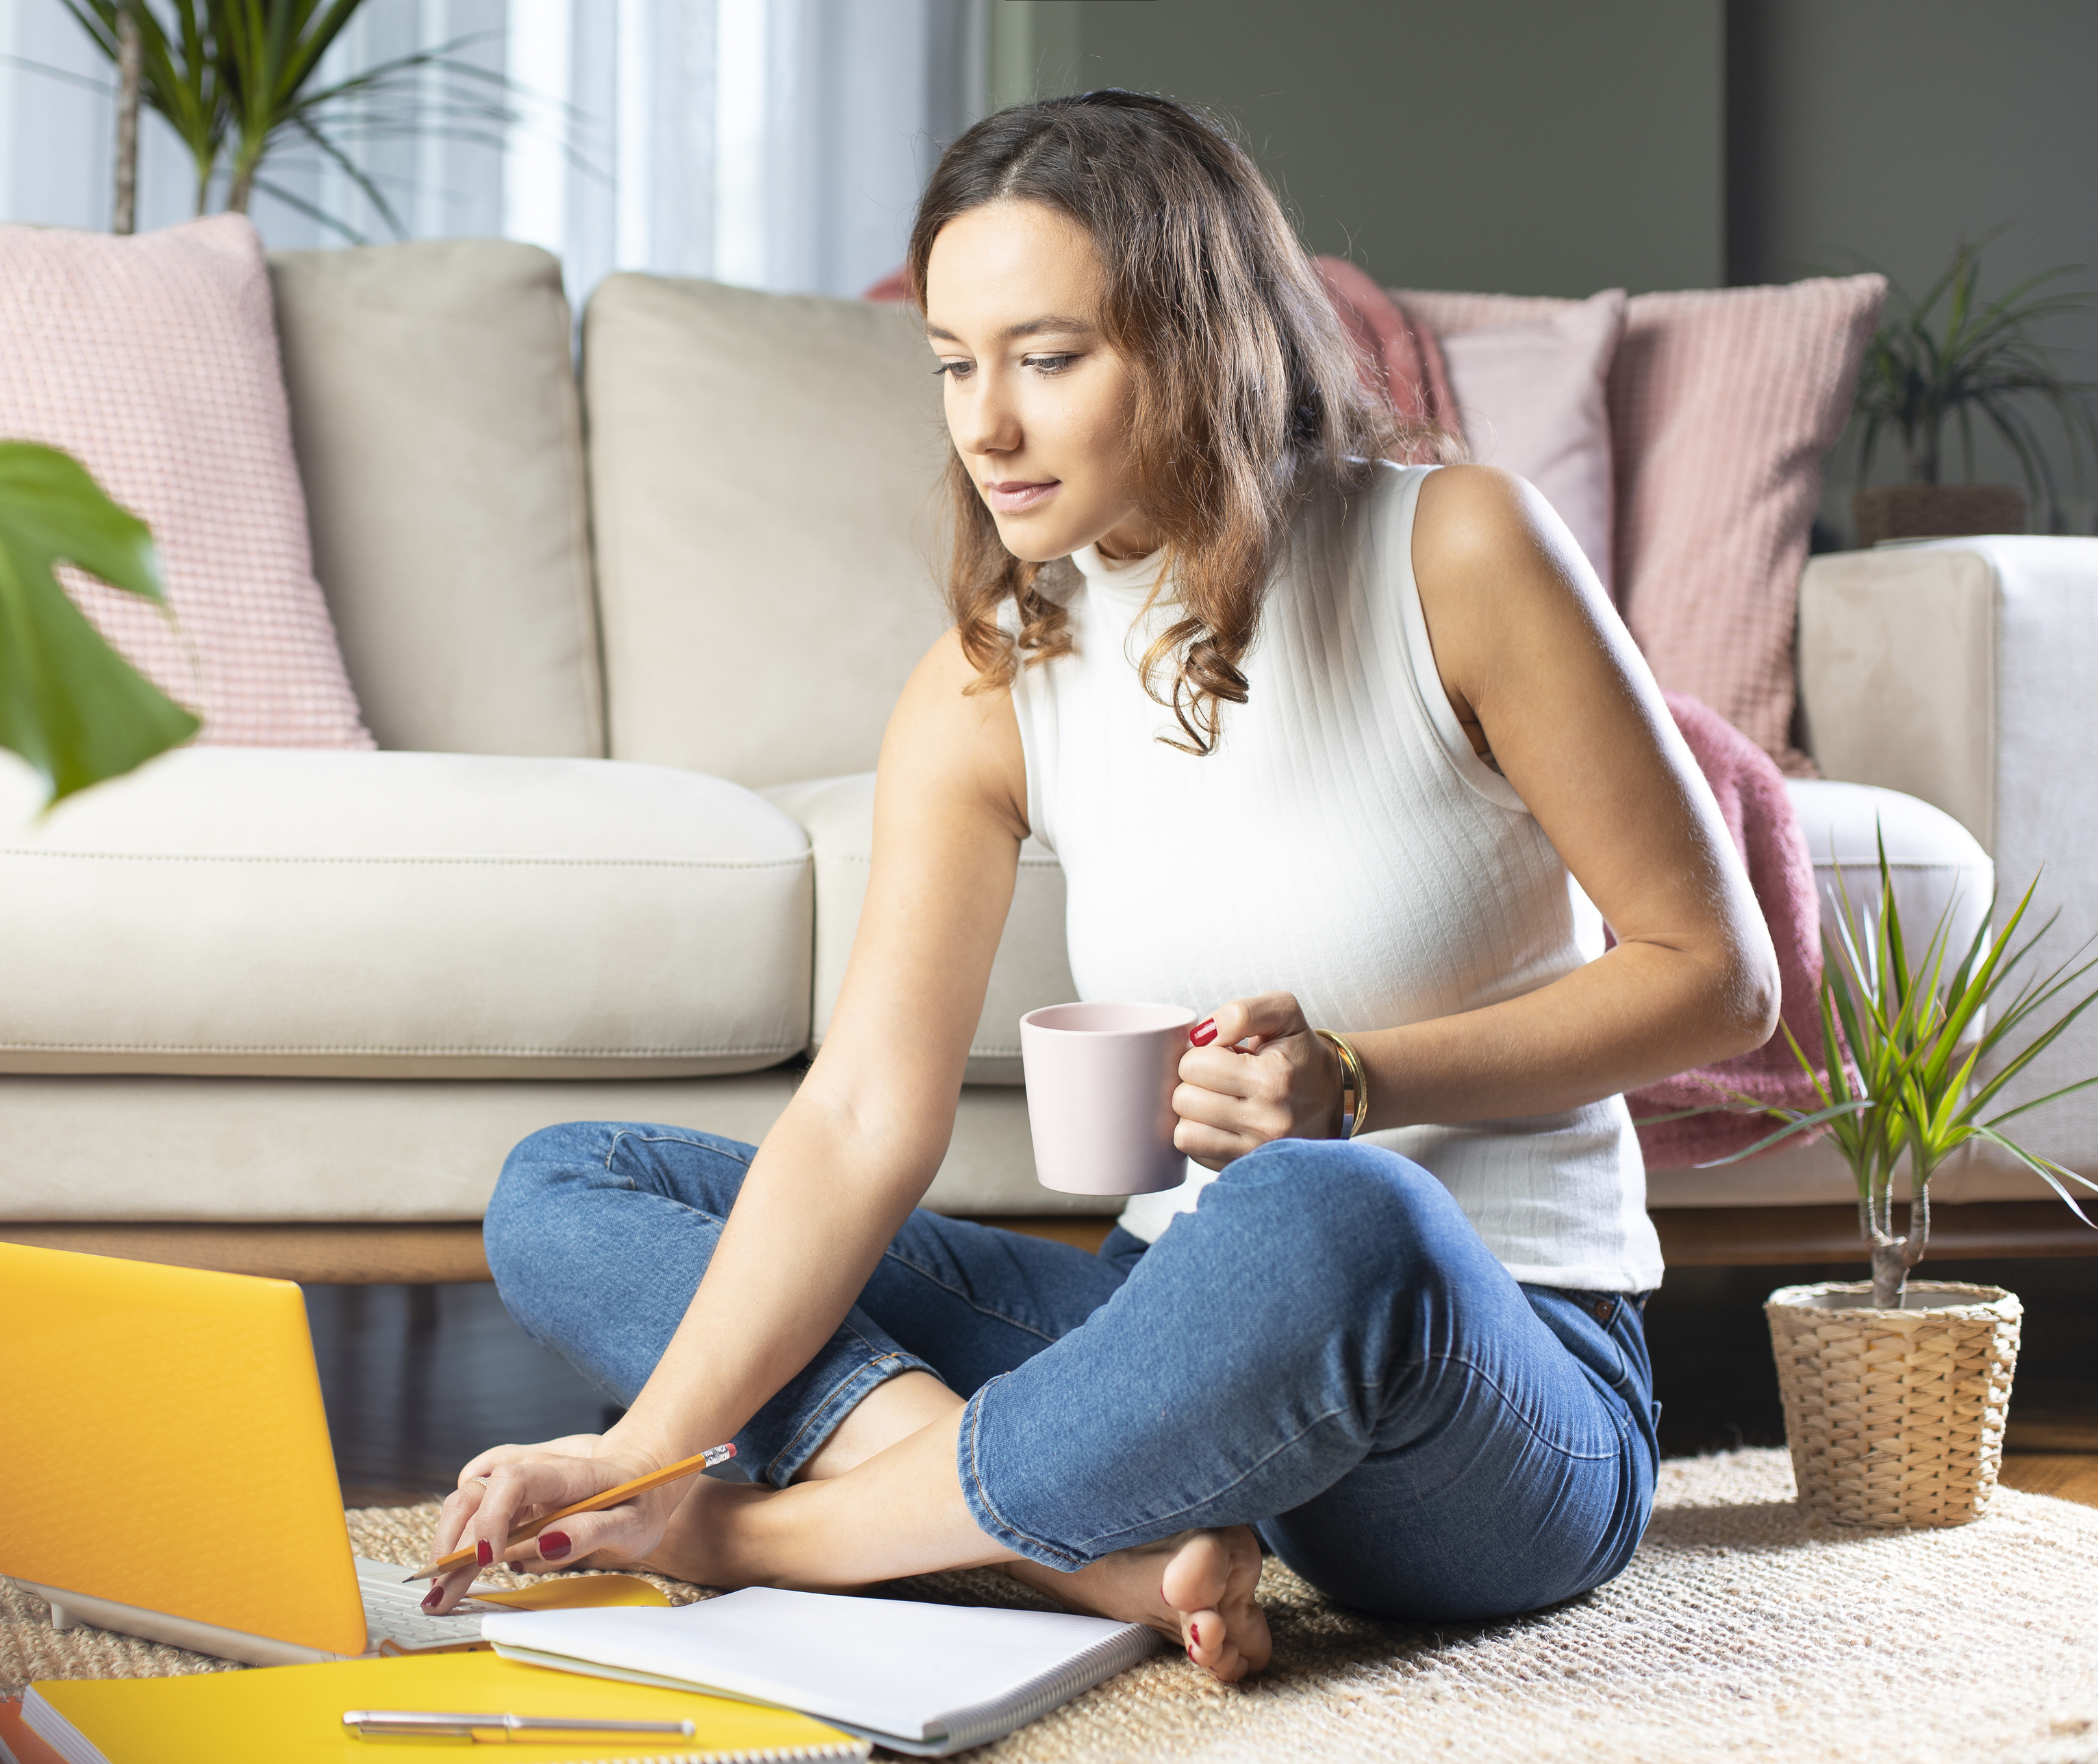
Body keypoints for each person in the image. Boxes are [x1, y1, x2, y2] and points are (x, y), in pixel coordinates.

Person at [419, 90, 1775, 1682]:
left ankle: (785, 1536)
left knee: (1331, 1210)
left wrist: (1360, 1077)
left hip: (1491, 1376)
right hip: (1164, 1333)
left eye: (1048, 359)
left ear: (1201, 341)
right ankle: (1099, 1549)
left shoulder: (1456, 549)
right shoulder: (989, 678)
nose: (984, 424)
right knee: (568, 1184)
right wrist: (637, 1450)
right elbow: (861, 1115)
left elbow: (1716, 971)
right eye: (952, 363)